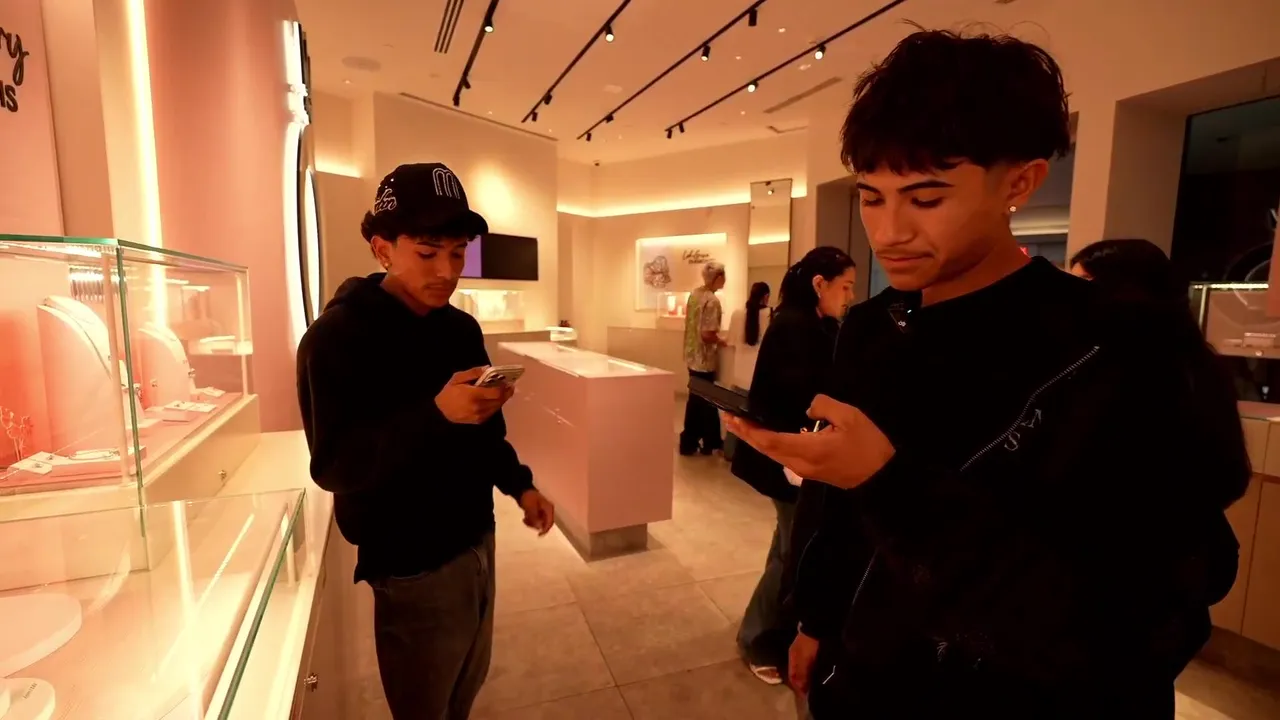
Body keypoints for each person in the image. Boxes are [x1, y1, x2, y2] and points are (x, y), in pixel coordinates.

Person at [727, 29, 1250, 716]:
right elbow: (840, 518)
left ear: (1020, 182)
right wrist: (816, 620)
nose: (888, 232)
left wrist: (888, 482)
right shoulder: (872, 327)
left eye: (926, 198)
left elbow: (1152, 603)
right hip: (866, 678)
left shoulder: (1121, 345)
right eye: (871, 196)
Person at [296, 163, 556, 720]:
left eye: (458, 253)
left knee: (465, 687)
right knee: (423, 706)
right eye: (428, 252)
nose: (447, 271)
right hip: (408, 563)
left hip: (477, 538)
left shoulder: (460, 330)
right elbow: (335, 466)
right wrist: (436, 414)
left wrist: (520, 486)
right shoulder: (336, 339)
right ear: (382, 249)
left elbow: (485, 433)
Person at [731, 248, 855, 686]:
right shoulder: (794, 327)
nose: (850, 296)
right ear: (820, 284)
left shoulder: (815, 325)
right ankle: (757, 639)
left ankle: (761, 632)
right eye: (845, 286)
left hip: (798, 458)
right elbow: (798, 396)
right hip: (788, 459)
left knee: (786, 547)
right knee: (790, 552)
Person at [679, 261, 728, 456]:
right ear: (718, 277)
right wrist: (721, 341)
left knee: (700, 399)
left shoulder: (695, 295)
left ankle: (708, 440)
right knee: (703, 400)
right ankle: (693, 440)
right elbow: (707, 334)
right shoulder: (712, 301)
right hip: (704, 358)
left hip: (692, 354)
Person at [727, 281, 773, 391]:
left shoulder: (737, 314)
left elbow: (730, 342)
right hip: (759, 377)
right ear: (766, 296)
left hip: (739, 376)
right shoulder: (770, 314)